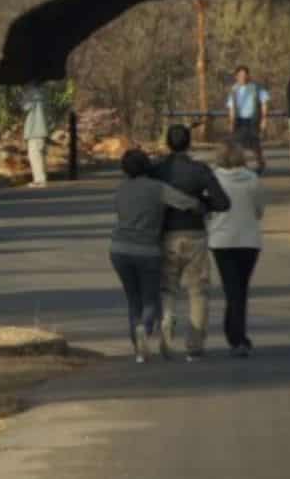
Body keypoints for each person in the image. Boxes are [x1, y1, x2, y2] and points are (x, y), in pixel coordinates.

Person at [111, 148, 206, 363]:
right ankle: (146, 328)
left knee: (133, 299)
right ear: (147, 166)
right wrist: (202, 206)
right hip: (147, 250)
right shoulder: (157, 188)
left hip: (119, 249)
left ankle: (139, 349)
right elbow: (186, 202)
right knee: (150, 299)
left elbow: (119, 211)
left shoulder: (121, 189)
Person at [150, 124, 232, 361]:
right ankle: (194, 345)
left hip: (166, 234)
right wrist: (202, 203)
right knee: (198, 291)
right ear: (189, 143)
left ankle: (166, 326)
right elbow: (222, 202)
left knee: (167, 287)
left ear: (167, 144)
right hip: (195, 233)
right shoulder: (199, 170)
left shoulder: (157, 171)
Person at [207, 142, 268, 357]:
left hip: (221, 240)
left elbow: (208, 209)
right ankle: (237, 335)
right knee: (240, 289)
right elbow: (259, 210)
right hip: (249, 240)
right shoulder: (252, 179)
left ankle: (236, 336)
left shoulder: (213, 180)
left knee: (232, 289)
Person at [225, 65, 270, 173]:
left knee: (255, 144)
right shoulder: (234, 90)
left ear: (249, 75)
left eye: (245, 75)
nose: (243, 77)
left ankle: (260, 163)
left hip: (253, 119)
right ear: (236, 76)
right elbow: (231, 107)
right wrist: (231, 123)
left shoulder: (256, 87)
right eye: (240, 75)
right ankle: (242, 165)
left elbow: (264, 103)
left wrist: (264, 119)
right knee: (238, 144)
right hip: (239, 120)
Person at [22, 82, 48, 188]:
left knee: (34, 156)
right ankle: (42, 178)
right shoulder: (42, 95)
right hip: (41, 130)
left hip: (34, 131)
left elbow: (25, 107)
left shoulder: (32, 95)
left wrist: (24, 97)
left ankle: (39, 180)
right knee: (40, 156)